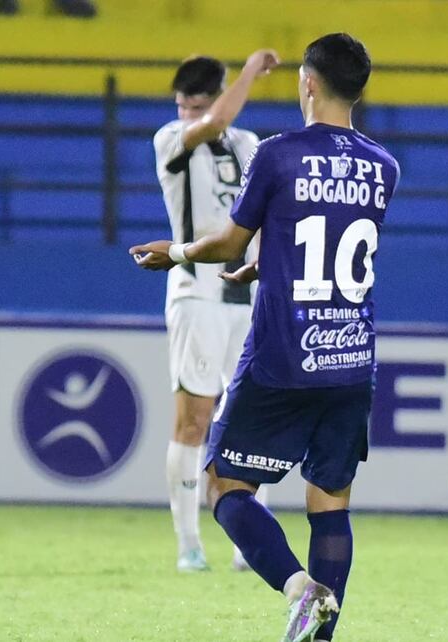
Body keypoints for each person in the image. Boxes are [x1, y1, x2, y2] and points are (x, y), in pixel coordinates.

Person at [131, 33, 399, 642]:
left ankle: (301, 589)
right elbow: (327, 237)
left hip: (284, 352)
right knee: (330, 500)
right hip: (352, 357)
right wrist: (270, 261)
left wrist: (174, 252)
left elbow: (228, 241)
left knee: (225, 484)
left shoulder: (277, 154)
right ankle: (319, 634)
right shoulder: (384, 166)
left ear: (308, 81)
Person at [153, 49, 278, 572]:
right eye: (182, 106)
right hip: (195, 293)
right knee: (193, 420)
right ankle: (188, 542)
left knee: (252, 420)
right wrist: (251, 71)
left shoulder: (248, 145)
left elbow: (265, 212)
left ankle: (245, 545)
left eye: (194, 105)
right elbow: (217, 121)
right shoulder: (171, 139)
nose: (188, 114)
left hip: (246, 298)